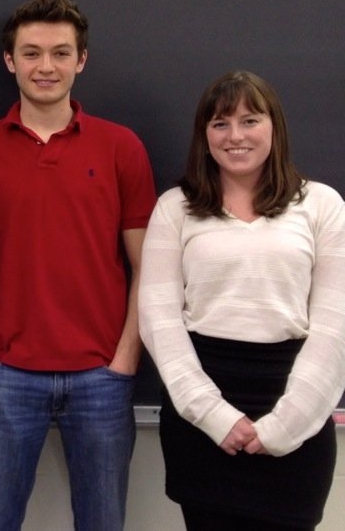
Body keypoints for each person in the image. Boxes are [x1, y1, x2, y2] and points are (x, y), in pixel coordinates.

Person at [0, 0, 157, 530]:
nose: (45, 66)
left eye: (61, 53)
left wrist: (125, 358)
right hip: (4, 375)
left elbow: (148, 266)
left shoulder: (121, 147)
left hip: (101, 376)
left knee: (103, 522)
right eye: (31, 53)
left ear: (81, 59)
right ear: (9, 60)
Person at [139, 70, 345, 531]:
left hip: (296, 408)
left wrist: (286, 425)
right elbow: (158, 320)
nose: (235, 136)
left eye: (250, 120)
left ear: (274, 126)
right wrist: (214, 415)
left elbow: (336, 326)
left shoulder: (322, 205)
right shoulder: (175, 208)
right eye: (220, 124)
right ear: (204, 135)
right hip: (200, 415)